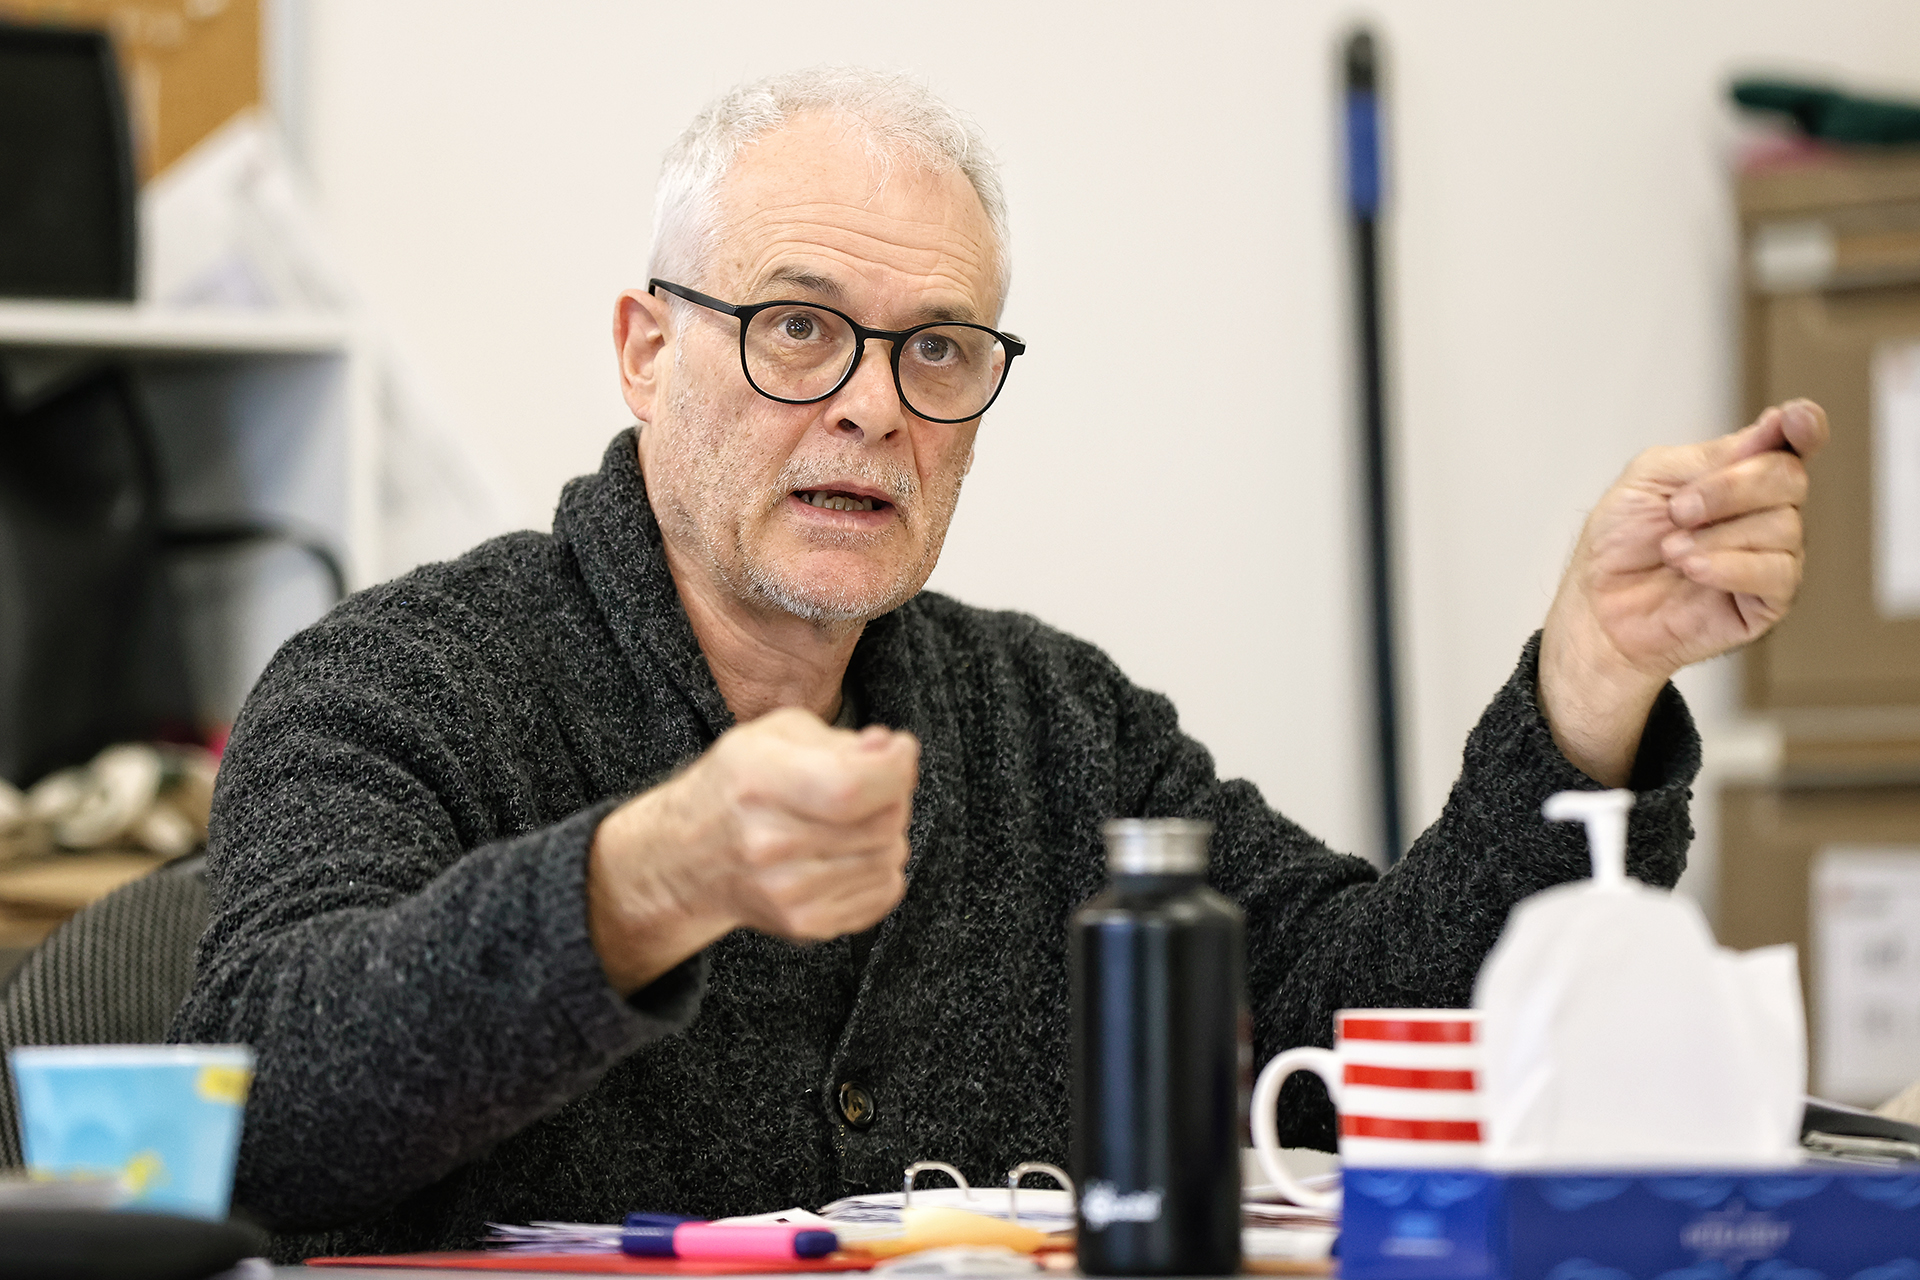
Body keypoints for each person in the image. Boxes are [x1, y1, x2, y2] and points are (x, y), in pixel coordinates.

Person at [170, 68, 1827, 1259]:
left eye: (941, 349)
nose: (876, 406)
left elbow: (1367, 1045)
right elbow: (268, 1106)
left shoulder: (1054, 725)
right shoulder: (398, 680)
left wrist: (1588, 690)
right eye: (798, 327)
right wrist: (644, 879)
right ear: (645, 348)